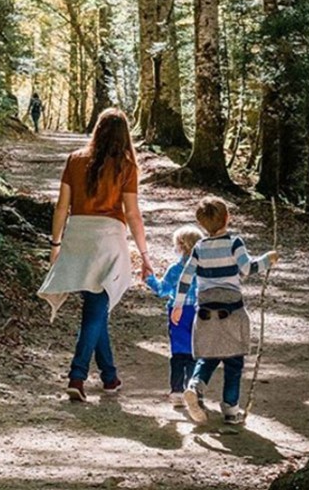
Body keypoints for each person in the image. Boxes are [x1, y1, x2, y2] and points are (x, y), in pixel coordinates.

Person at [37, 108, 153, 402]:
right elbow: (133, 214)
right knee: (97, 306)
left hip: (78, 236)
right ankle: (77, 375)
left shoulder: (75, 160)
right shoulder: (126, 165)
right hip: (109, 240)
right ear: (124, 135)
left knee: (96, 307)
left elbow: (61, 207)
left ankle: (110, 377)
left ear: (97, 130)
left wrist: (56, 244)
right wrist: (144, 254)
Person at [171, 196, 279, 425]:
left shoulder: (199, 247)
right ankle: (230, 410)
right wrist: (267, 260)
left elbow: (185, 278)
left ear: (201, 224)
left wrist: (178, 305)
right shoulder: (234, 243)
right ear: (227, 218)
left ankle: (194, 386)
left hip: (205, 311)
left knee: (208, 355)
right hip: (231, 310)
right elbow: (248, 268)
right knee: (233, 361)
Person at [145, 224, 203, 407]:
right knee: (195, 352)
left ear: (180, 246)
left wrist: (149, 279)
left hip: (177, 313)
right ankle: (193, 390)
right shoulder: (203, 269)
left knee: (178, 353)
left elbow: (162, 290)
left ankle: (177, 391)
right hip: (198, 312)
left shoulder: (175, 269)